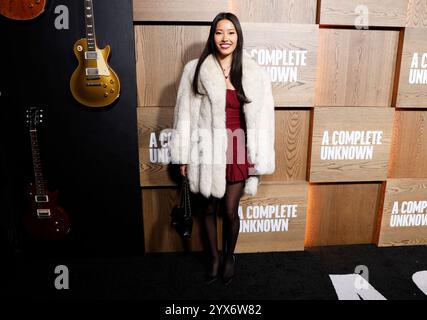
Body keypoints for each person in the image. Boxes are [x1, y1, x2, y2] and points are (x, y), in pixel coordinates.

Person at [169, 12, 275, 285]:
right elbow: (184, 114)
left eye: (230, 32)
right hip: (206, 149)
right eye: (219, 32)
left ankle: (230, 256)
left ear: (238, 37)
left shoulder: (252, 71)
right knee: (206, 210)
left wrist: (259, 153)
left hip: (238, 147)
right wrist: (183, 155)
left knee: (229, 211)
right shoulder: (195, 69)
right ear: (212, 35)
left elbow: (264, 116)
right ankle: (214, 259)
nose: (224, 38)